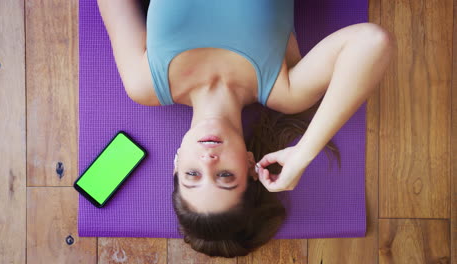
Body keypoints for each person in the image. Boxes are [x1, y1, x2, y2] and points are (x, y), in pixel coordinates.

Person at [98, 0, 395, 258]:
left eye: (192, 175)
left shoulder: (145, 85)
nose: (208, 161)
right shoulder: (285, 90)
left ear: (176, 164)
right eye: (225, 176)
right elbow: (372, 42)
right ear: (252, 166)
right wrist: (304, 152)